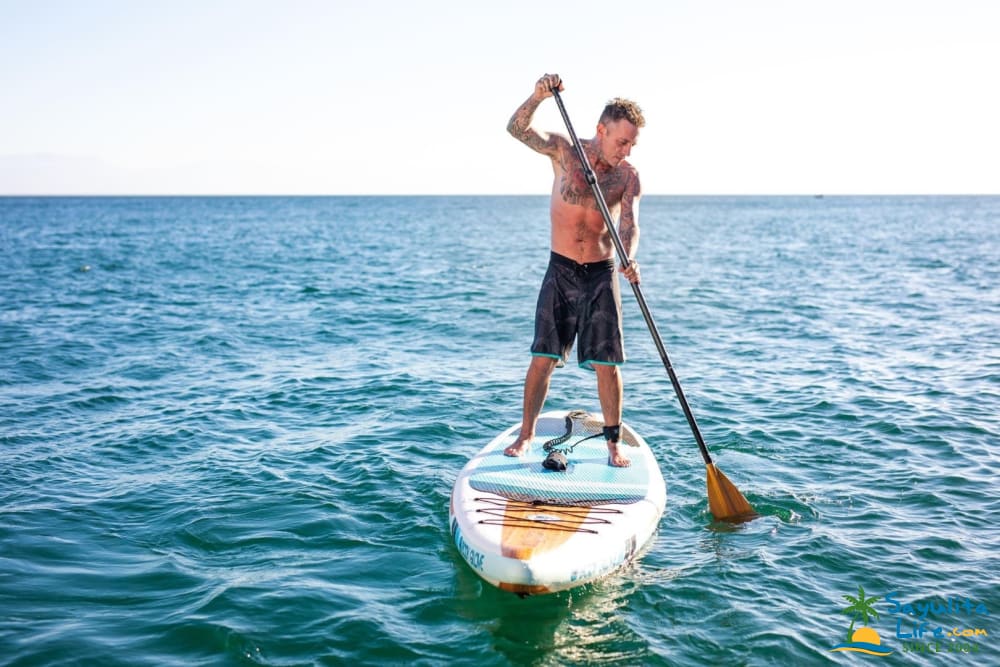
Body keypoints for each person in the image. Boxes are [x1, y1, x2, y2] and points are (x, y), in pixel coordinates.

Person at [503, 73, 644, 467]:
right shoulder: (564, 152)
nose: (627, 150)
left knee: (608, 364)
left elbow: (628, 224)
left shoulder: (627, 176)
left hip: (601, 273)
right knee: (543, 356)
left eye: (632, 143)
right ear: (602, 129)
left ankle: (613, 442)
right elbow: (516, 129)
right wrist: (537, 97)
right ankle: (526, 435)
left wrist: (628, 258)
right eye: (622, 141)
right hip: (561, 269)